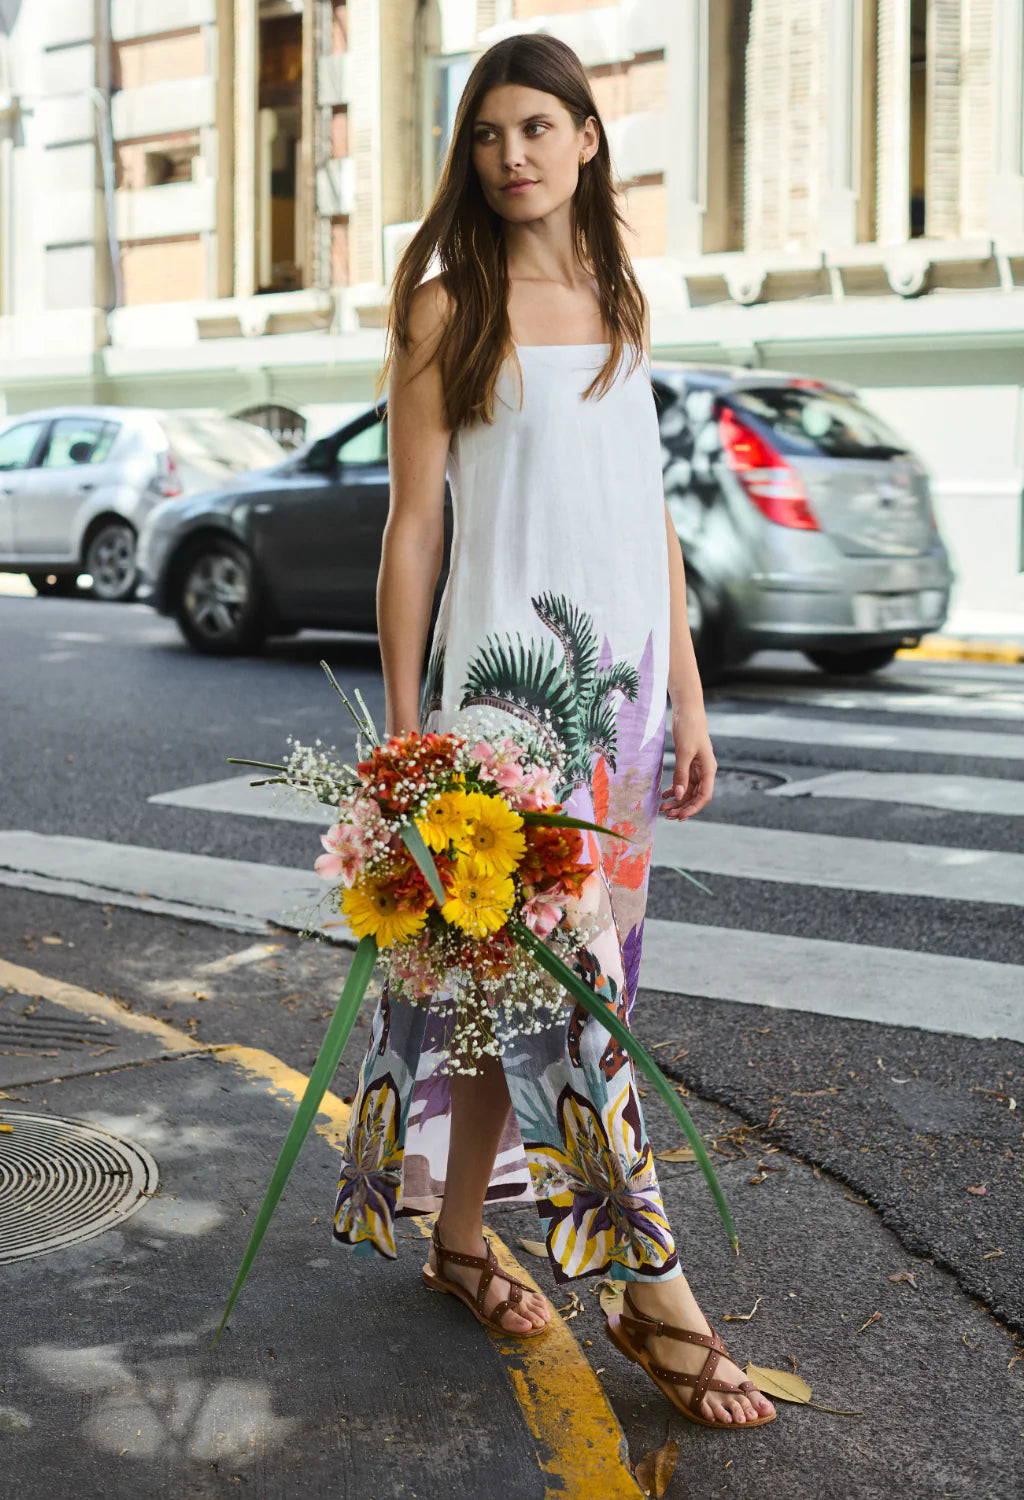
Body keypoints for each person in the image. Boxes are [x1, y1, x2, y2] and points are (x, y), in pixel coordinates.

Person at [333, 32, 776, 1430]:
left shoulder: (623, 302)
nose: (511, 154)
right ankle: (657, 1297)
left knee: (503, 1002)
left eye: (538, 127)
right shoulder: (445, 309)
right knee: (568, 1003)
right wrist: (406, 737)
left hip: (621, 705)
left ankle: (464, 1246)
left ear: (589, 139)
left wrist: (690, 698)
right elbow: (413, 527)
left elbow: (643, 519)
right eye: (486, 134)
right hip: (504, 713)